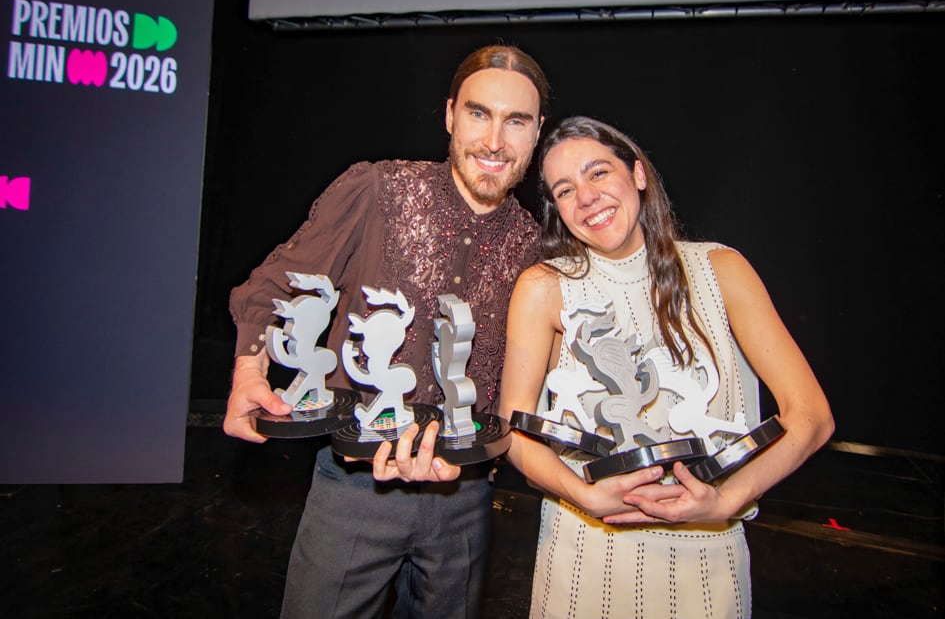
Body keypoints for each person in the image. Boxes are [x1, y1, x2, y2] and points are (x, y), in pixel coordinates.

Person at [222, 44, 548, 619]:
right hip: (354, 491)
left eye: (515, 121)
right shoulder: (378, 192)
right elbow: (277, 283)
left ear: (536, 131)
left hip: (464, 496)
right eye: (479, 113)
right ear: (450, 115)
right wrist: (250, 368)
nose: (495, 140)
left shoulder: (537, 251)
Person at [499, 116, 834, 618]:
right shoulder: (545, 287)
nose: (585, 197)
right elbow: (514, 429)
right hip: (582, 561)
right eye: (564, 189)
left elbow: (810, 417)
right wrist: (583, 495)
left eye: (598, 173)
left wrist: (726, 502)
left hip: (706, 571)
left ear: (638, 174)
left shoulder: (722, 270)